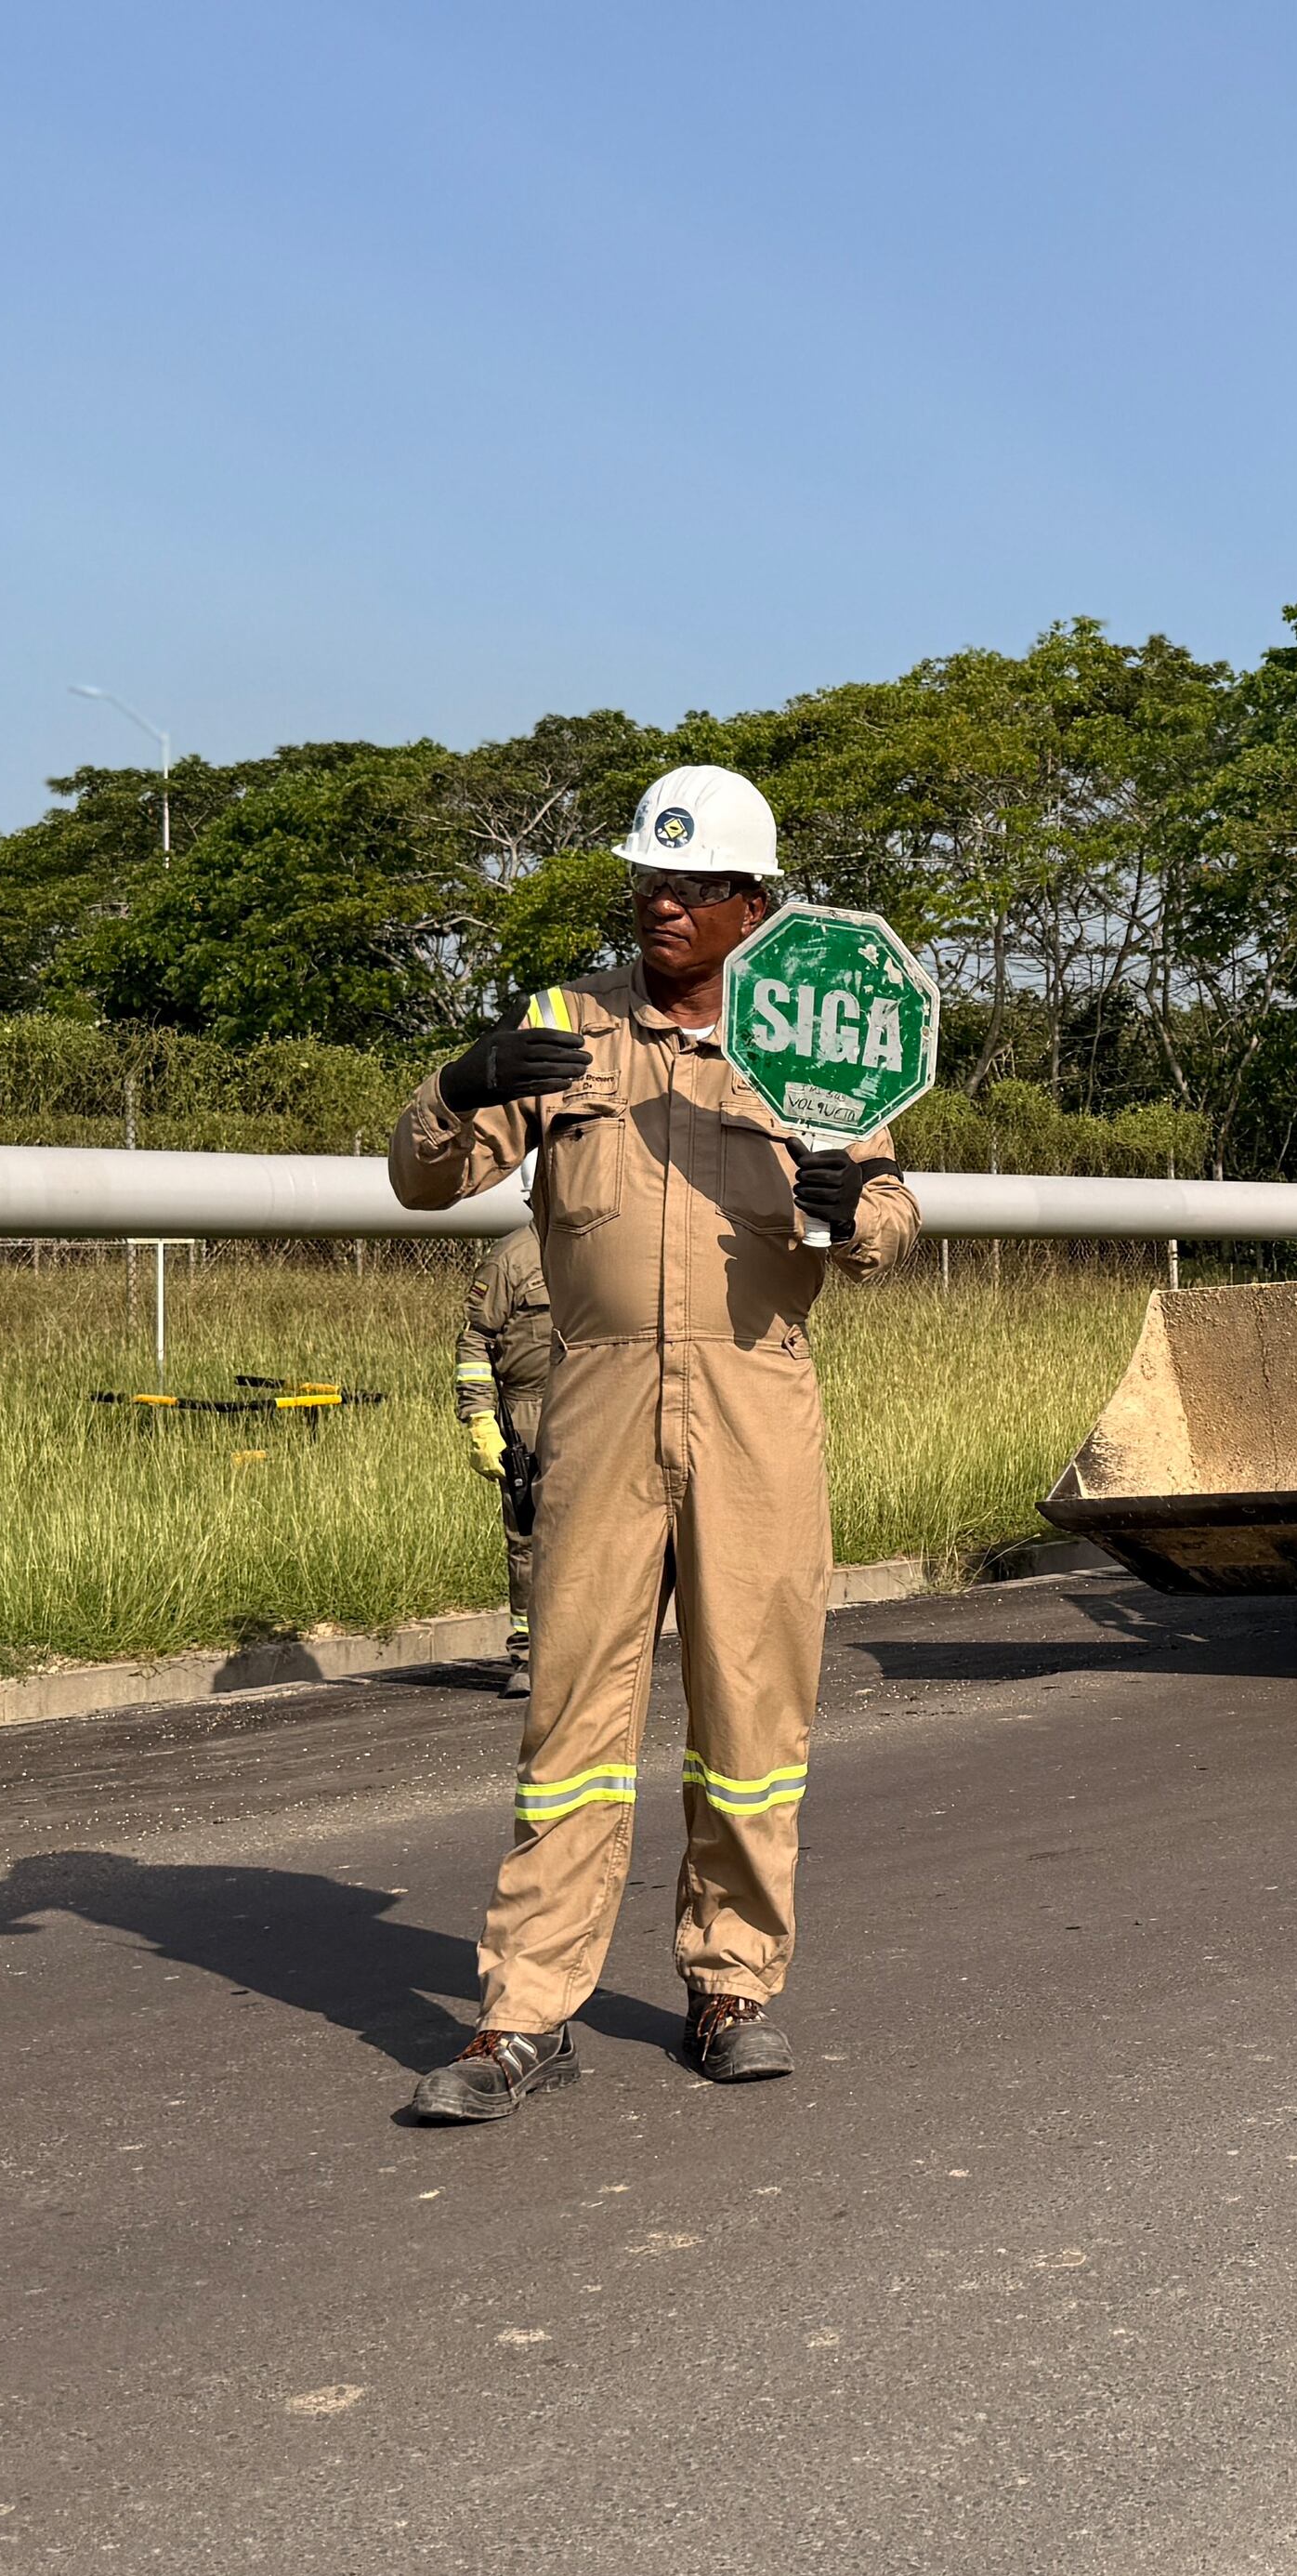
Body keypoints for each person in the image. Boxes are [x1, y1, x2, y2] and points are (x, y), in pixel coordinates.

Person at [386, 762, 919, 2120]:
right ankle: (524, 2012)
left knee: (753, 1707)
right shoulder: (566, 1026)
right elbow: (425, 1176)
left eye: (692, 885)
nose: (661, 903)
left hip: (757, 1394)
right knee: (571, 1707)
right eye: (647, 881)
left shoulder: (821, 1035)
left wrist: (848, 1204)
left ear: (756, 902)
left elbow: (896, 1231)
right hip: (602, 1393)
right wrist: (461, 1081)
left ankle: (732, 1981)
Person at [452, 1225, 557, 1702]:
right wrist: (479, 1418)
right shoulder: (512, 1258)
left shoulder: (609, 1239)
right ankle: (530, 1656)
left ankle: (589, 1652)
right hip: (528, 1413)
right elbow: (475, 1341)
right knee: (529, 1538)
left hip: (600, 1404)